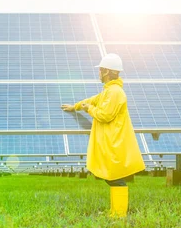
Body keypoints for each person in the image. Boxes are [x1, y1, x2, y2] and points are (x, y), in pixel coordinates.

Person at [61, 53, 145, 217]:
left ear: (106, 71)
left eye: (100, 70)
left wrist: (88, 109)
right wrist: (75, 106)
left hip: (114, 141)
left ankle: (119, 213)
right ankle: (115, 211)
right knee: (112, 178)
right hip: (110, 140)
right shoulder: (109, 91)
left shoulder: (115, 92)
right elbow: (93, 100)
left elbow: (104, 115)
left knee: (115, 177)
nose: (98, 73)